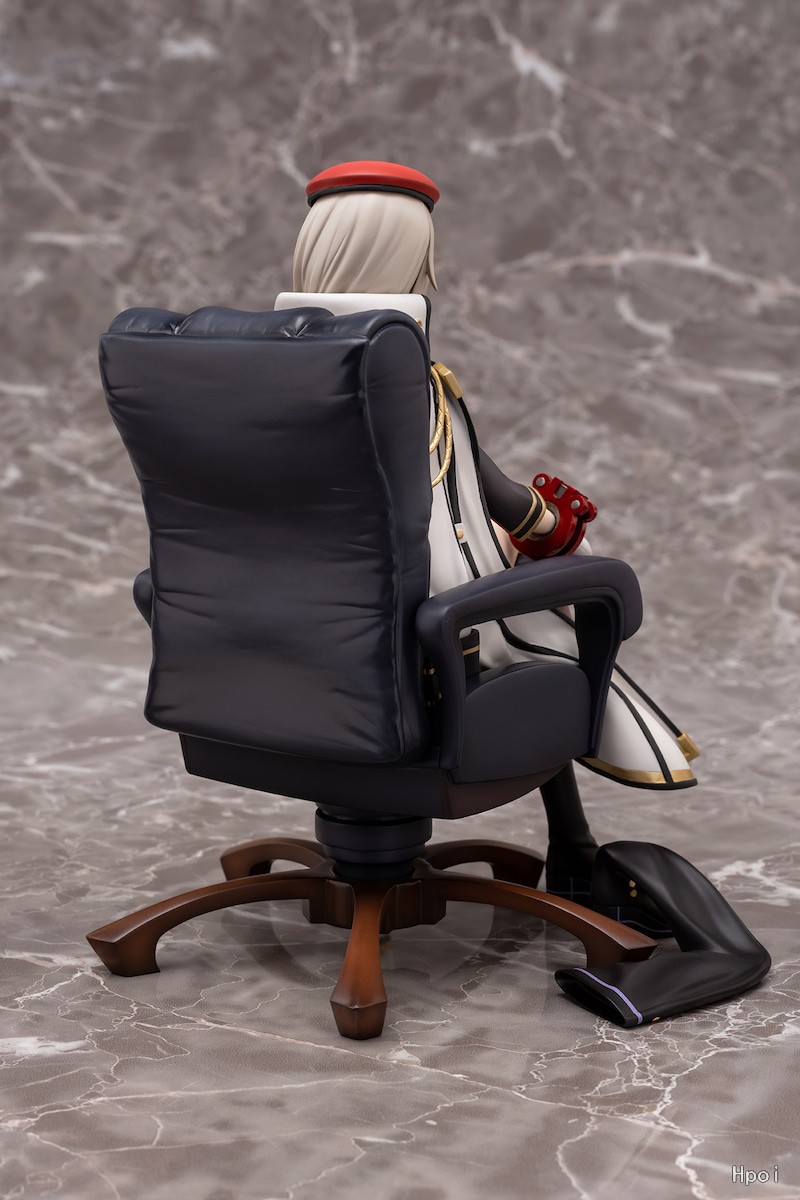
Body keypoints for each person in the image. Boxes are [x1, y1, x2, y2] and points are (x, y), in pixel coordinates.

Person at [275, 160, 698, 919]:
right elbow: (494, 494)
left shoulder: (251, 367)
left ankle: (572, 848)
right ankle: (575, 851)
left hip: (265, 658)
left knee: (519, 615)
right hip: (412, 668)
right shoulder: (403, 378)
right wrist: (555, 526)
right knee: (549, 632)